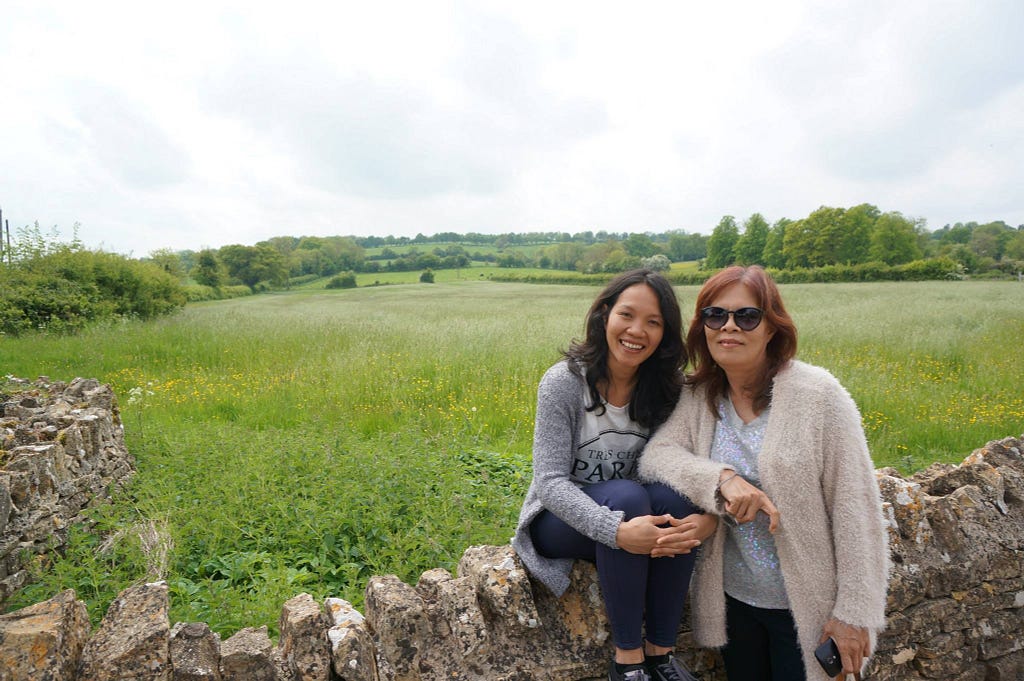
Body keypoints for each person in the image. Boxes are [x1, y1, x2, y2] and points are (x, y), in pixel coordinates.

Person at [639, 265, 889, 680]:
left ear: (772, 327)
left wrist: (854, 613)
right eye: (715, 315)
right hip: (737, 603)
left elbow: (856, 509)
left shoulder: (819, 395)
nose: (728, 327)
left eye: (747, 316)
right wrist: (721, 479)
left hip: (811, 608)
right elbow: (657, 456)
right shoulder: (699, 395)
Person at [512, 268, 718, 681]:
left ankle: (661, 657)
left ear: (665, 334)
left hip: (634, 512)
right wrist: (616, 531)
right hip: (561, 521)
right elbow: (551, 484)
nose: (636, 330)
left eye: (653, 322)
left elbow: (680, 465)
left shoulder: (666, 390)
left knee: (675, 501)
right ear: (604, 315)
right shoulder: (564, 384)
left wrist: (709, 517)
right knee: (626, 497)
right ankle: (628, 664)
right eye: (627, 314)